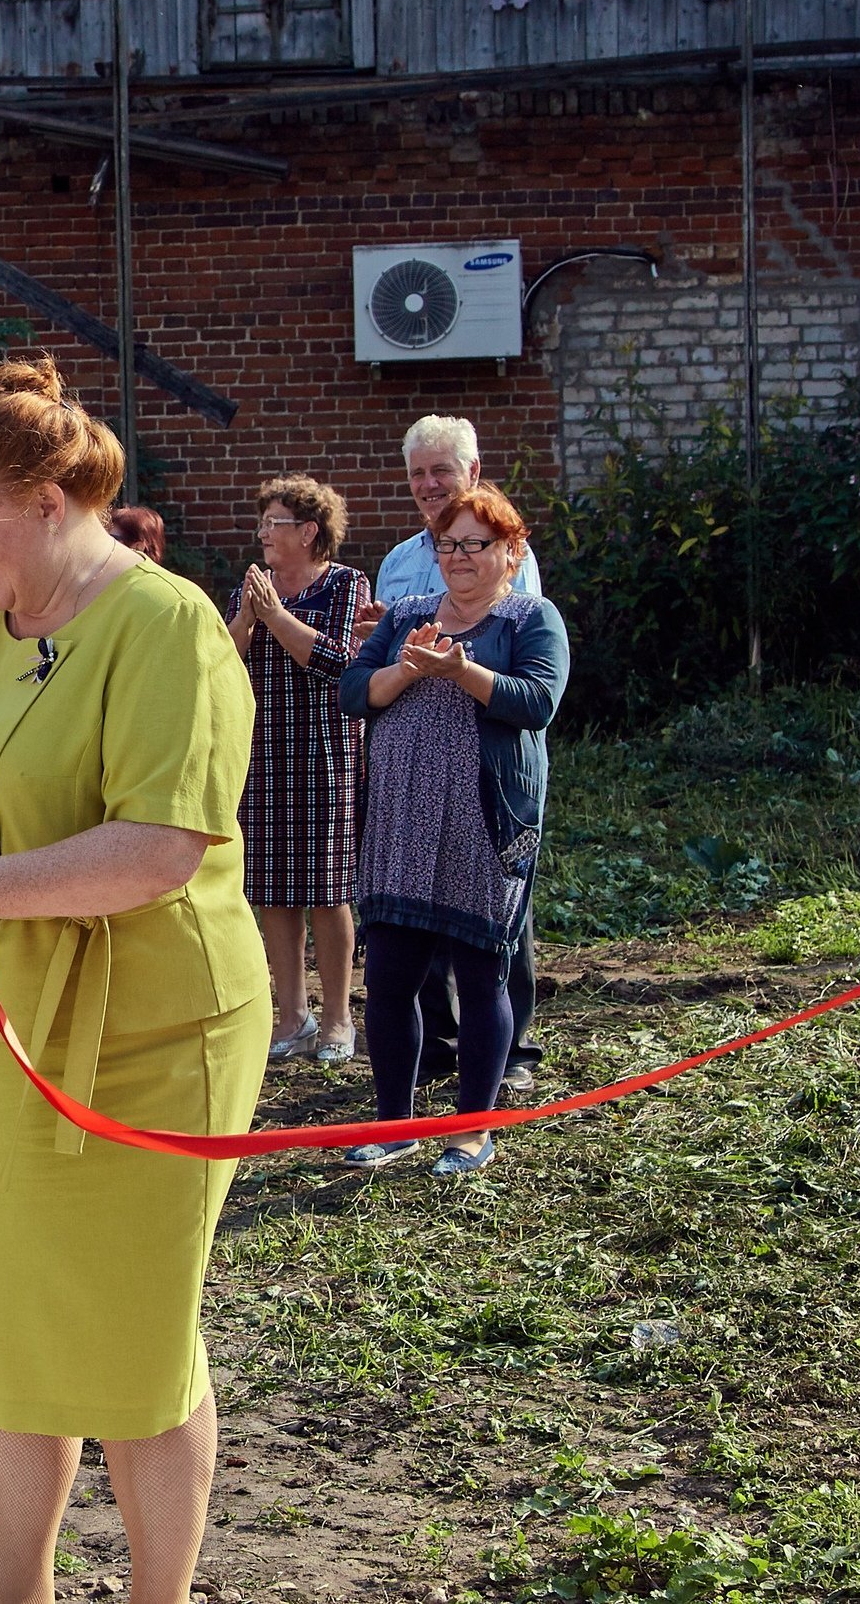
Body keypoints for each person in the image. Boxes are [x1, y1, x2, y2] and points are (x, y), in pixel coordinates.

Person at [0, 358, 269, 1604]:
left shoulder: (165, 624)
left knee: (132, 1343)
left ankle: (154, 1596)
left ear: (45, 498)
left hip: (149, 1038)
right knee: (3, 1331)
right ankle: (11, 1590)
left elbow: (161, 844)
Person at [338, 483, 569, 1177]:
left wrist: (460, 667)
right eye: (449, 543)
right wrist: (402, 671)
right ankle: (394, 1124)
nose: (461, 556)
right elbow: (354, 689)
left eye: (477, 543)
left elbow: (537, 701)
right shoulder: (406, 613)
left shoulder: (531, 617)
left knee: (480, 974)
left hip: (482, 823)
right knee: (388, 979)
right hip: (401, 822)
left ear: (511, 550)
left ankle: (473, 1130)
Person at [355, 415, 551, 1091]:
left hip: (484, 784)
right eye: (418, 473)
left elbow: (523, 664)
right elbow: (370, 668)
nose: (429, 483)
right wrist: (389, 646)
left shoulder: (511, 559)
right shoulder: (399, 563)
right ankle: (434, 1051)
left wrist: (457, 664)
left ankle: (507, 1058)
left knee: (492, 939)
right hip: (410, 790)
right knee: (408, 942)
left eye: (441, 470)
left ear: (470, 472)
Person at [225, 476, 370, 1067]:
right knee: (272, 890)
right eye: (262, 522)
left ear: (309, 532)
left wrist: (277, 616)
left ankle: (337, 1015)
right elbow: (222, 658)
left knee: (328, 890)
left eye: (275, 523)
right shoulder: (253, 588)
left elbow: (339, 660)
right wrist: (250, 619)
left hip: (324, 752)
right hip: (262, 754)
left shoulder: (345, 584)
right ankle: (291, 1014)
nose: (263, 532)